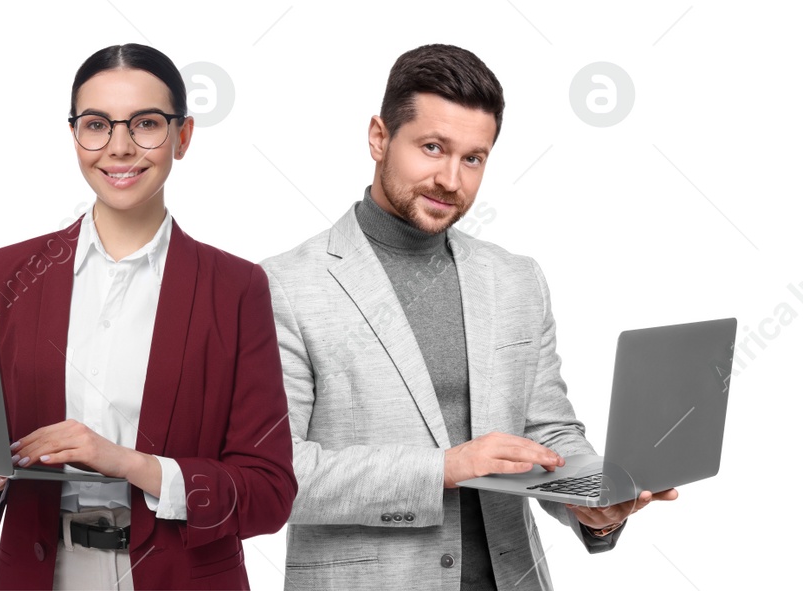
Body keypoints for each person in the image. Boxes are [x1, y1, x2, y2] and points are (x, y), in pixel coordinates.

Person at [261, 44, 677, 590]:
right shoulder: (284, 285)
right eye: (433, 148)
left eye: (473, 158)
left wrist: (592, 501)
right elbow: (276, 475)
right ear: (379, 137)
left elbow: (547, 431)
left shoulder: (515, 279)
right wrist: (445, 468)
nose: (451, 180)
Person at [0, 43, 296, 590]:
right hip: (42, 571)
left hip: (179, 575)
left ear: (182, 138)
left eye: (146, 124)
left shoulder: (234, 288)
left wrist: (128, 463)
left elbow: (269, 492)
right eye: (96, 125)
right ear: (74, 136)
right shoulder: (9, 273)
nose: (119, 148)